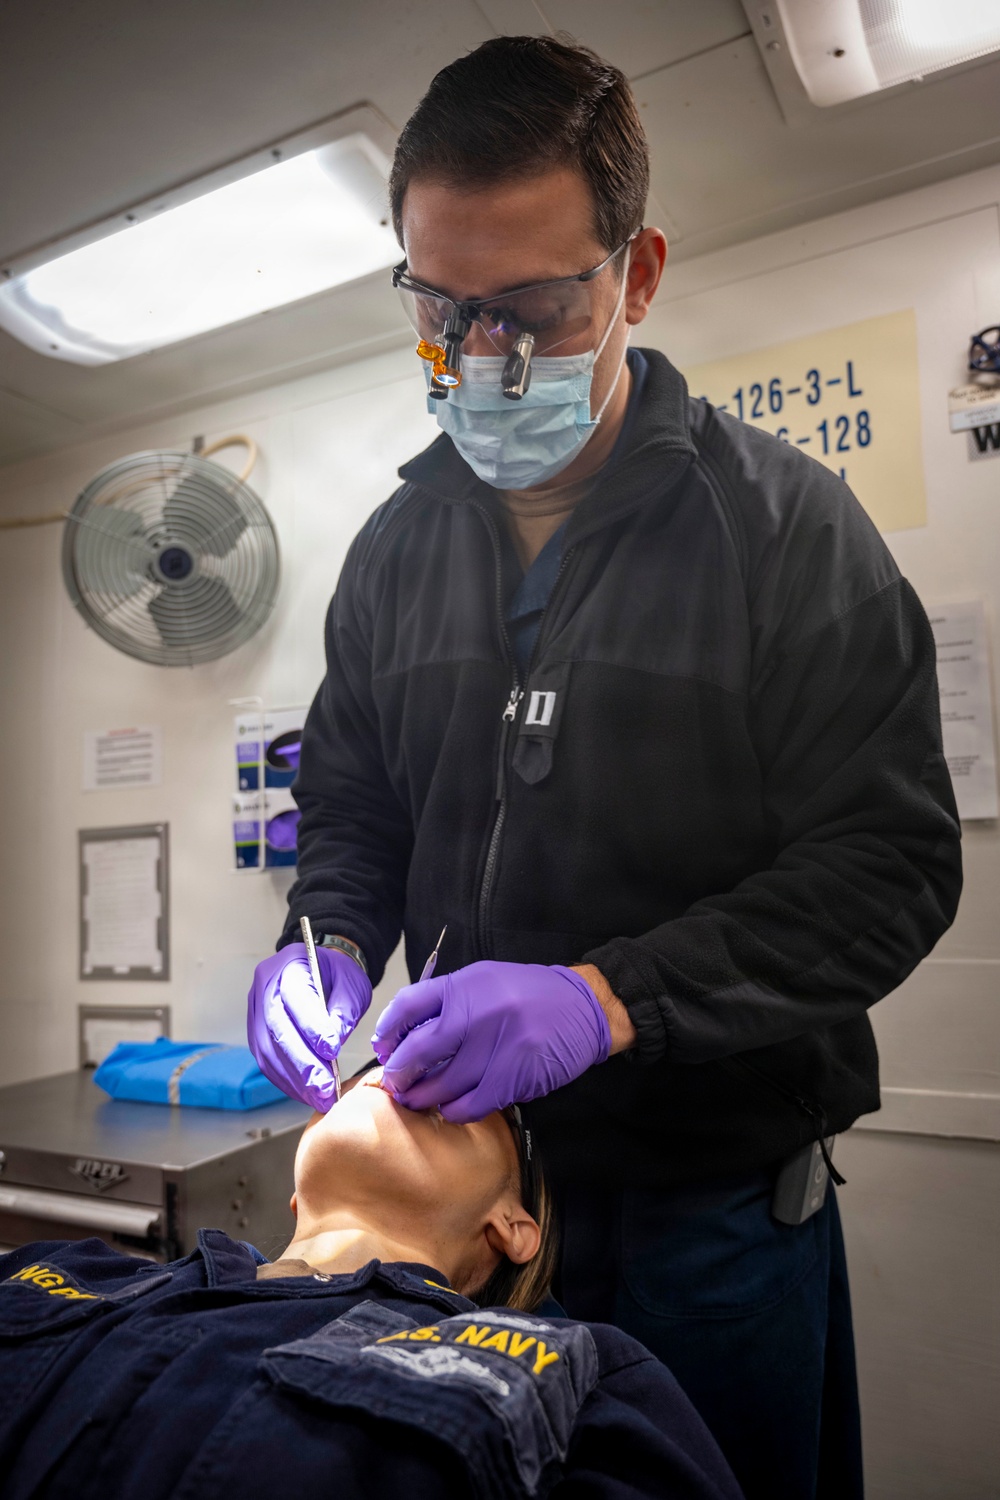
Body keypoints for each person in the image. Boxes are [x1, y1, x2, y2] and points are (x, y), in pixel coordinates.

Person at [247, 34, 963, 1500]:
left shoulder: (786, 533)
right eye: (440, 305)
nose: (481, 352)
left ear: (633, 277)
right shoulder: (390, 560)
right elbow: (358, 811)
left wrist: (607, 1001)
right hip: (470, 1219)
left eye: (530, 308)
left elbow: (887, 873)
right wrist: (323, 940)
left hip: (710, 1220)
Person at [0, 1069, 743, 1500]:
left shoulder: (572, 1374)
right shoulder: (76, 1270)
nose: (406, 1069)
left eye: (468, 1092)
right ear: (296, 1199)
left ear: (515, 1225)